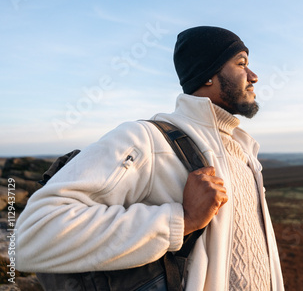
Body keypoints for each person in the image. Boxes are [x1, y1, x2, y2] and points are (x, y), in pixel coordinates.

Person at [15, 26, 285, 290]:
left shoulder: (244, 152)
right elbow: (33, 234)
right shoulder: (147, 139)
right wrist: (182, 220)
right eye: (241, 63)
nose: (254, 76)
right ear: (207, 75)